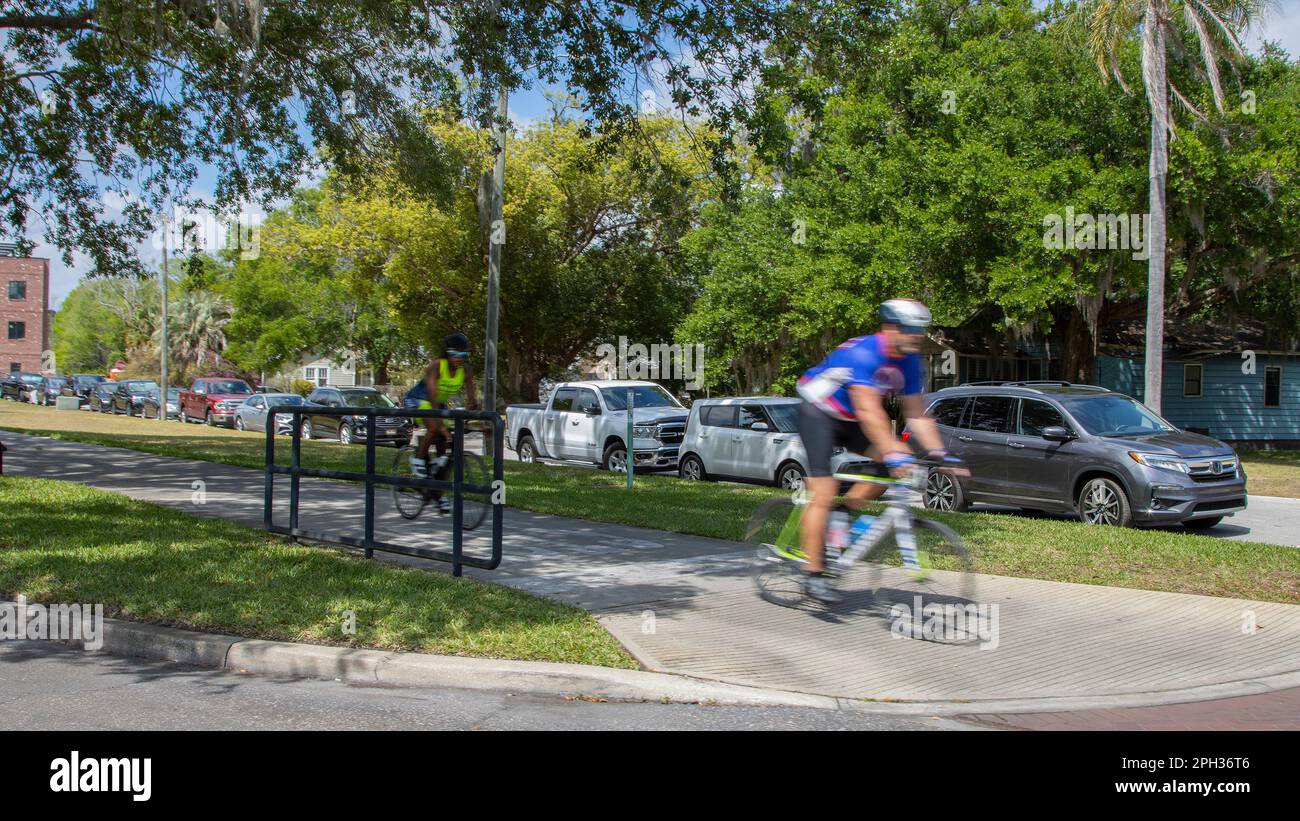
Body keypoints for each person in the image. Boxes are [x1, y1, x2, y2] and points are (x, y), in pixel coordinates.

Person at [794, 299, 953, 603]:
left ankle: (845, 511)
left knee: (890, 467)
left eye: (921, 331)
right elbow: (869, 411)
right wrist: (891, 448)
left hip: (851, 418)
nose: (916, 336)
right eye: (910, 330)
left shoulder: (909, 362)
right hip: (818, 412)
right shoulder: (865, 353)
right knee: (824, 491)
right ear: (890, 327)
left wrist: (940, 453)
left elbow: (916, 414)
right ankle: (812, 574)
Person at [405, 332, 478, 514]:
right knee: (436, 427)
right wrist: (442, 427)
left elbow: (472, 402)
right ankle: (418, 459)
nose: (459, 358)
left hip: (438, 403)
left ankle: (439, 493)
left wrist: (482, 423)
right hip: (418, 399)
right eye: (455, 354)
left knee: (445, 449)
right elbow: (430, 398)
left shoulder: (466, 371)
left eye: (463, 355)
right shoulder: (437, 365)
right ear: (447, 353)